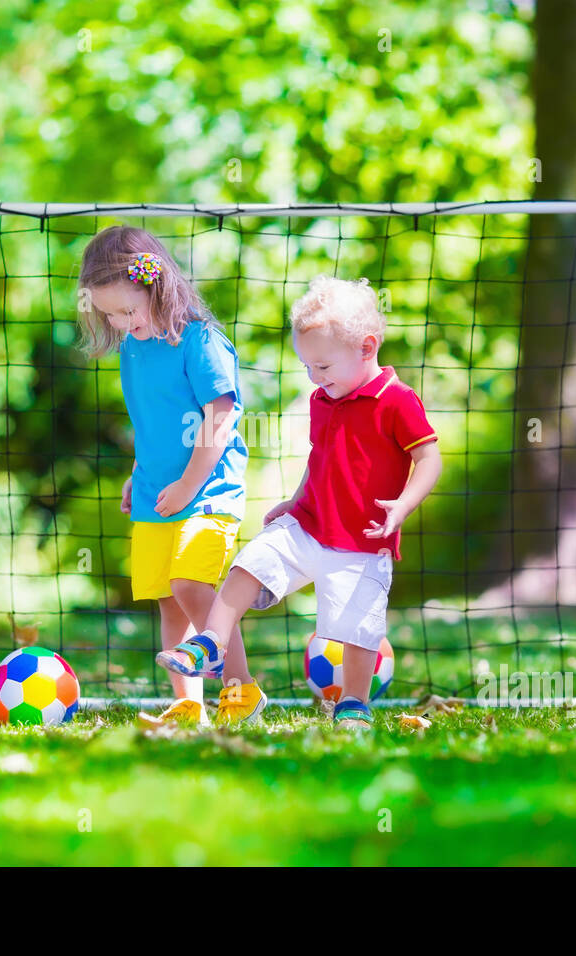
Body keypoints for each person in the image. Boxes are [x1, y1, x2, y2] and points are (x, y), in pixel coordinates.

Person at [157, 275, 442, 729]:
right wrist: (295, 499)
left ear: (366, 349)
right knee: (249, 562)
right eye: (308, 366)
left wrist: (403, 505)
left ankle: (353, 703)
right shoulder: (322, 399)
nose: (315, 377)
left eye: (323, 367)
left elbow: (429, 457)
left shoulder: (397, 401)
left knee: (359, 626)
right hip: (309, 525)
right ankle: (211, 641)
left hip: (363, 542)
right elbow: (320, 456)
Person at [78, 225, 262, 726]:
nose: (119, 322)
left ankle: (242, 691)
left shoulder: (200, 341)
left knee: (191, 584)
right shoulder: (133, 349)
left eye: (126, 310)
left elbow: (219, 419)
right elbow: (151, 422)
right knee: (168, 600)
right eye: (109, 314)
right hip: (157, 494)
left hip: (209, 492)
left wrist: (186, 486)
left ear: (153, 285)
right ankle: (188, 704)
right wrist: (139, 475)